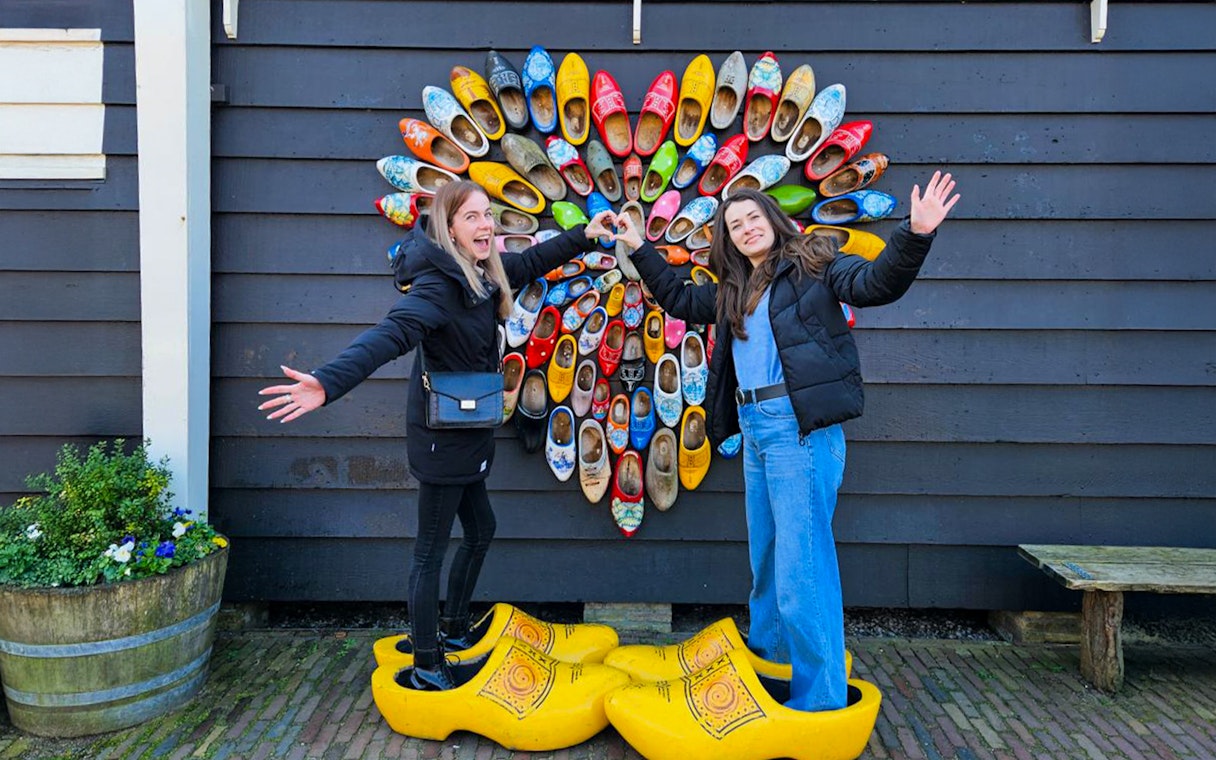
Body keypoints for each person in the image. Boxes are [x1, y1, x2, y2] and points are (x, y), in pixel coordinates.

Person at [613, 172, 960, 712]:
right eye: (734, 224)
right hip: (755, 432)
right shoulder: (735, 289)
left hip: (800, 430)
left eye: (753, 217)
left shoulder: (814, 263)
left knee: (803, 568)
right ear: (727, 240)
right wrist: (638, 246)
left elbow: (874, 285)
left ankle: (819, 700)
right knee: (768, 560)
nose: (746, 228)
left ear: (773, 220)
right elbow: (680, 298)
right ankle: (771, 664)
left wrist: (914, 234)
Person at [257, 180, 614, 690]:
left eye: (488, 215)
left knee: (481, 530)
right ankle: (427, 662)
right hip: (440, 437)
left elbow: (532, 262)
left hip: (469, 429)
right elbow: (390, 335)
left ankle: (452, 629)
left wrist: (586, 233)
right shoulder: (438, 287)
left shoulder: (481, 274)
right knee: (429, 552)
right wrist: (327, 382)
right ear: (448, 229)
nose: (486, 225)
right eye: (472, 217)